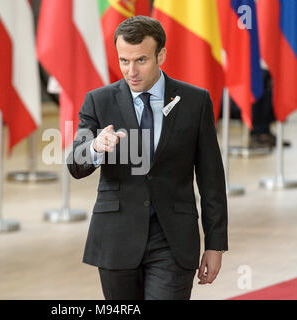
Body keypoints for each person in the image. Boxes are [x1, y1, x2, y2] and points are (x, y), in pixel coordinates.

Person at [67, 16, 228, 300]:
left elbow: (211, 178)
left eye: (141, 60)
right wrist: (94, 147)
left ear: (161, 55)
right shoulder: (99, 100)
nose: (131, 71)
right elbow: (75, 163)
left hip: (173, 238)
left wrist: (215, 245)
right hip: (117, 238)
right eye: (124, 61)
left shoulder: (195, 101)